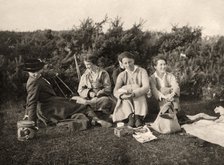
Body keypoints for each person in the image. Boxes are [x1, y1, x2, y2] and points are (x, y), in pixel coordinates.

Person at [22, 59, 110, 128]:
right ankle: (96, 120)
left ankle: (95, 119)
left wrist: (26, 114)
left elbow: (29, 99)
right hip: (48, 108)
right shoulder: (33, 82)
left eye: (37, 71)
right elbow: (31, 101)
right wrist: (31, 122)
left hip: (51, 103)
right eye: (32, 72)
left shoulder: (38, 78)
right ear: (28, 72)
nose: (35, 74)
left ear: (40, 69)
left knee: (75, 103)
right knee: (79, 106)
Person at [113, 51, 150, 127]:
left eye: (130, 62)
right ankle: (130, 117)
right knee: (124, 93)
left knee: (136, 88)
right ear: (122, 64)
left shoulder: (142, 71)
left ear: (133, 60)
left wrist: (134, 93)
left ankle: (138, 117)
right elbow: (115, 90)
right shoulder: (122, 75)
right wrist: (121, 96)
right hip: (128, 98)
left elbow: (146, 87)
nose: (128, 65)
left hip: (141, 96)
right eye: (125, 63)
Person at [76, 53, 114, 127]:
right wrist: (89, 93)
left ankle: (96, 115)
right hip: (89, 98)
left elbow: (108, 88)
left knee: (106, 101)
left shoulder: (103, 73)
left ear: (94, 63)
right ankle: (97, 118)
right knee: (78, 101)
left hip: (101, 97)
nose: (87, 67)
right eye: (86, 65)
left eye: (89, 64)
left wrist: (100, 92)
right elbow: (80, 90)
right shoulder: (85, 75)